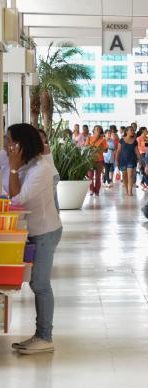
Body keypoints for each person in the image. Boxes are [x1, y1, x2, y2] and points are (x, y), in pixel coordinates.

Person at [5, 124, 62, 355]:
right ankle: (40, 335)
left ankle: (45, 337)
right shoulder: (29, 165)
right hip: (34, 232)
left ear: (21, 144)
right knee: (35, 283)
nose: (6, 146)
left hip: (46, 232)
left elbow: (16, 200)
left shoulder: (41, 169)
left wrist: (13, 169)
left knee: (40, 284)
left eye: (9, 141)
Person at [38, 129, 60, 211]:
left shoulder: (44, 146)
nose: (40, 139)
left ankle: (55, 217)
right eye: (38, 137)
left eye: (42, 137)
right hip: (50, 176)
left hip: (52, 176)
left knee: (50, 200)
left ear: (45, 138)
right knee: (53, 199)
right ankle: (56, 217)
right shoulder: (40, 147)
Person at [116, 126, 140, 196]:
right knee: (124, 176)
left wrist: (140, 159)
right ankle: (126, 190)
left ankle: (130, 191)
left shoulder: (135, 141)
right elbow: (118, 151)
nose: (133, 131)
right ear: (126, 132)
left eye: (133, 130)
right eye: (131, 130)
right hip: (122, 160)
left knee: (130, 176)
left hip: (131, 160)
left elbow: (137, 151)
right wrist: (116, 160)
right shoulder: (121, 140)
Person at [85, 125, 107, 196]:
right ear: (93, 130)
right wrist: (92, 146)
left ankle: (97, 191)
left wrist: (100, 149)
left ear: (101, 131)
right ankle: (91, 190)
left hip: (100, 160)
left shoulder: (103, 139)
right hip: (90, 160)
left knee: (98, 176)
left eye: (99, 129)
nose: (97, 130)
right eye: (96, 129)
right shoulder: (89, 138)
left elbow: (106, 150)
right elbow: (86, 147)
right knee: (90, 176)